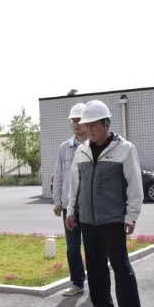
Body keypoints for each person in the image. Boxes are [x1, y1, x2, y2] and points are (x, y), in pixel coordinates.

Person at [66, 100, 144, 307]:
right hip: (88, 221)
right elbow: (75, 184)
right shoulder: (81, 151)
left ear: (106, 124)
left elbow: (134, 186)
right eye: (86, 125)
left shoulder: (125, 149)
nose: (88, 130)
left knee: (121, 270)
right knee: (95, 269)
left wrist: (131, 216)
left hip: (113, 221)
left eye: (93, 125)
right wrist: (71, 211)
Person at [52, 102, 88, 296]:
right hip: (69, 207)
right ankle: (77, 283)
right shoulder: (64, 148)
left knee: (93, 247)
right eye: (73, 121)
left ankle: (97, 282)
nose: (75, 124)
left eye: (79, 120)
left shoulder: (93, 146)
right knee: (72, 248)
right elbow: (58, 176)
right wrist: (58, 202)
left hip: (90, 206)